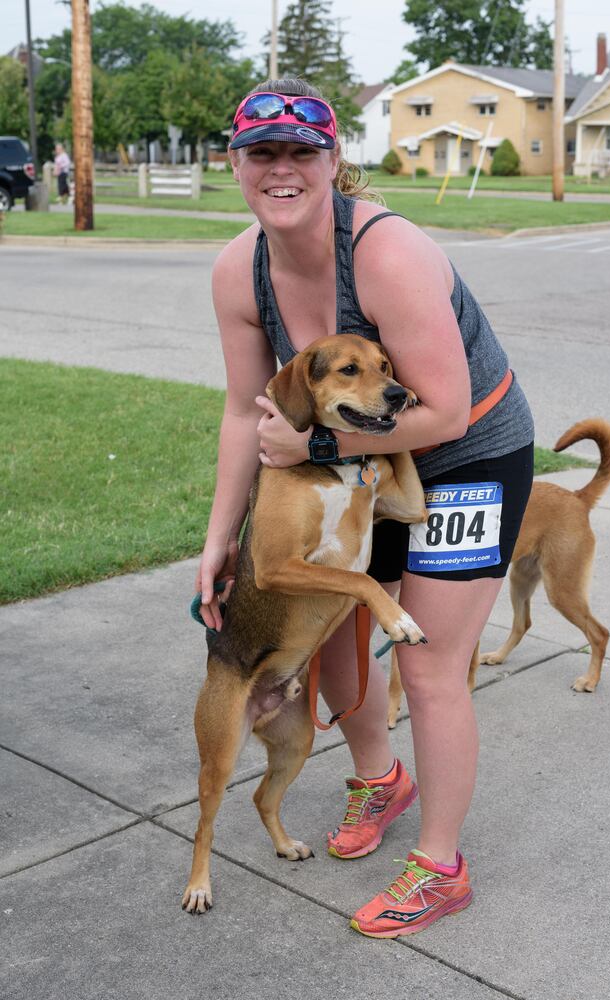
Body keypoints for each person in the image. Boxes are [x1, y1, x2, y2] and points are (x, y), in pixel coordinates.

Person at [197, 77, 534, 939]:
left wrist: (312, 449)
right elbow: (247, 412)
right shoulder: (239, 269)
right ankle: (381, 779)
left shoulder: (387, 253)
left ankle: (441, 867)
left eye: (300, 152)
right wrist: (218, 540)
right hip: (362, 455)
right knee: (337, 661)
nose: (281, 169)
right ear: (235, 162)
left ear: (332, 158)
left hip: (464, 452)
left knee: (425, 667)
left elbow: (446, 411)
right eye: (261, 152)